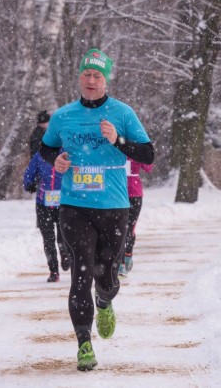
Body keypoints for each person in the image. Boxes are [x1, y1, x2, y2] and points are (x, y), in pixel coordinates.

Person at [39, 48, 154, 371]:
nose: (91, 81)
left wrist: (118, 141)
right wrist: (56, 160)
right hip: (75, 206)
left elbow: (147, 154)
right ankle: (83, 343)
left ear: (106, 80)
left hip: (114, 207)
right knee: (80, 272)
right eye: (86, 75)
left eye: (97, 76)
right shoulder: (63, 116)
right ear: (79, 77)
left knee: (106, 274)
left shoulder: (123, 113)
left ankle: (105, 301)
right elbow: (45, 147)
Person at [23, 151, 70, 282]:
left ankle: (65, 255)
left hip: (64, 203)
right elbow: (29, 173)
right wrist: (29, 184)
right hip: (43, 203)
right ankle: (53, 271)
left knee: (64, 236)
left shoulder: (69, 155)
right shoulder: (40, 156)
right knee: (48, 239)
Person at [118, 157, 153, 276]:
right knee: (120, 228)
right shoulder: (117, 148)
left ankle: (128, 253)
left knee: (129, 228)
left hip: (134, 194)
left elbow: (148, 167)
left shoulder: (136, 149)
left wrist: (141, 152)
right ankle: (120, 262)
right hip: (118, 193)